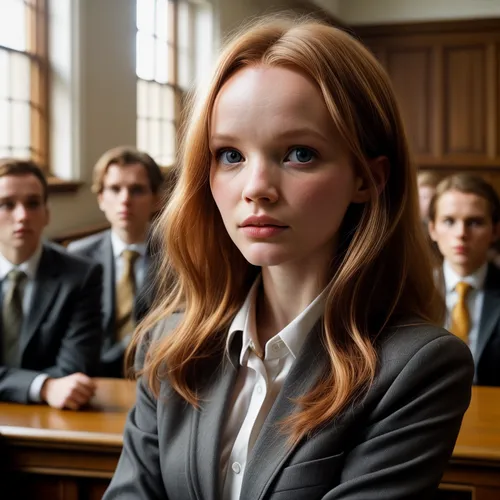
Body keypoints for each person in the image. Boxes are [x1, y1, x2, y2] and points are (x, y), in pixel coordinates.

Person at [104, 17, 474, 499]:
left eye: (299, 153)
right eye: (230, 155)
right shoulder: (171, 345)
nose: (256, 188)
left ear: (368, 178)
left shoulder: (418, 366)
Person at [0, 159, 102, 408]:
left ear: (47, 213)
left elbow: (75, 368)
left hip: (52, 419)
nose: (22, 216)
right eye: (7, 204)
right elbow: (56, 384)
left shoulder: (82, 275)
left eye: (33, 204)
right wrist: (42, 386)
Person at [67, 146, 164, 377]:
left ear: (156, 200)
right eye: (114, 189)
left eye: (137, 190)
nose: (125, 200)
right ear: (101, 198)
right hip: (92, 375)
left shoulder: (176, 253)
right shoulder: (78, 255)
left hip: (156, 374)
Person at [428, 173, 500, 386]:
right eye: (449, 221)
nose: (461, 233)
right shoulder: (410, 291)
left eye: (475, 222)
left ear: (495, 230)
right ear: (433, 228)